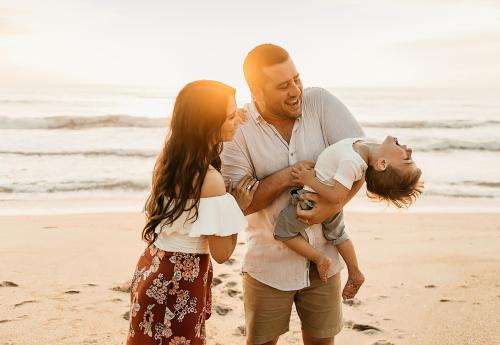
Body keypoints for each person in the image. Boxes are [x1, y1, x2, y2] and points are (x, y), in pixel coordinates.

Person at [221, 44, 364, 345]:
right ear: (256, 91)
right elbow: (239, 204)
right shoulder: (239, 128)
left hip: (324, 257)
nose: (295, 90)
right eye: (283, 85)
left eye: (296, 79)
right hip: (267, 264)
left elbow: (361, 162)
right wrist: (287, 177)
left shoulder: (320, 102)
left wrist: (332, 207)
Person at [126, 80, 254, 345]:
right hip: (178, 283)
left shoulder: (170, 161)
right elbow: (222, 253)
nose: (237, 121)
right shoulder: (209, 180)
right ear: (208, 124)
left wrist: (234, 114)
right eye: (230, 117)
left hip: (153, 268)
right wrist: (237, 206)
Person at [274, 135, 423, 300]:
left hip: (311, 200)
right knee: (338, 234)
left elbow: (336, 197)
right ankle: (355, 272)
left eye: (407, 159)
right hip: (327, 200)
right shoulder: (369, 145)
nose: (409, 149)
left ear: (382, 163)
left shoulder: (352, 161)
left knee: (282, 232)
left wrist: (309, 179)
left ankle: (319, 258)